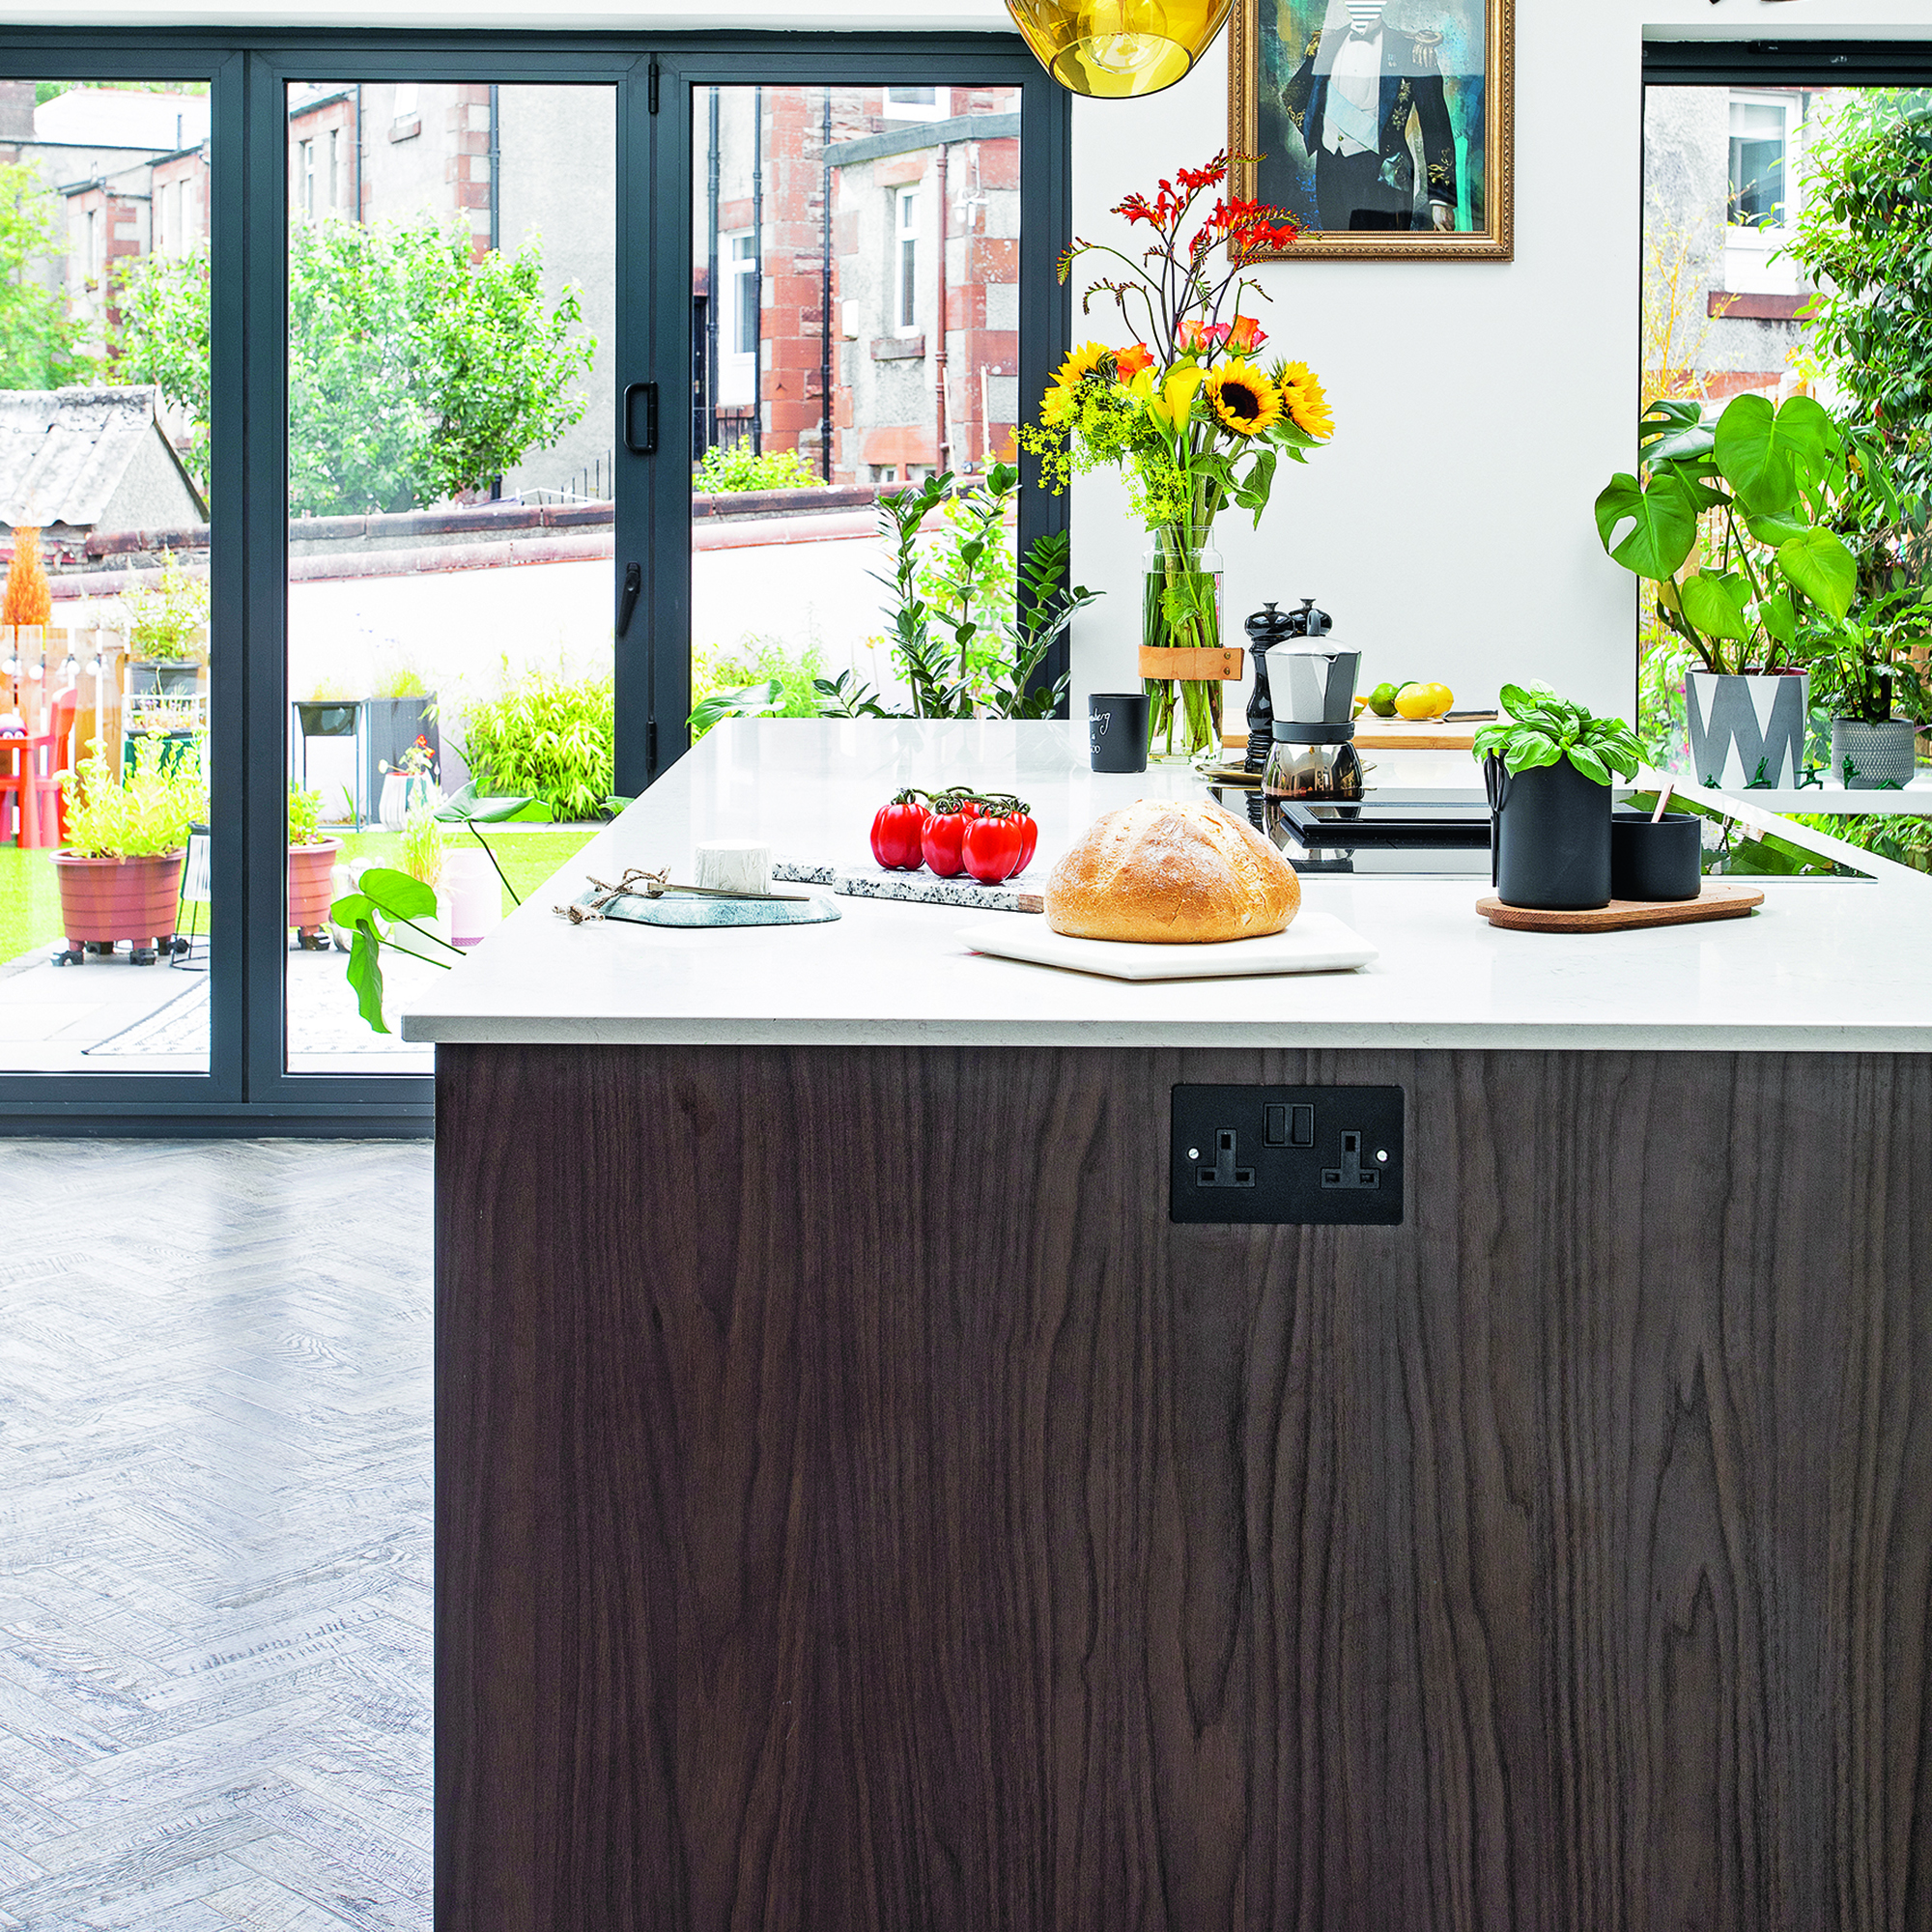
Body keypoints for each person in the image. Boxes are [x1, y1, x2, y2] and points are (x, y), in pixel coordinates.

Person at [1281, 0, 1459, 233]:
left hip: (1385, 177)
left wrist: (1442, 200)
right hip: (1330, 172)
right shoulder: (1328, 44)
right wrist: (1320, 130)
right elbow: (1293, 95)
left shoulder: (1410, 51)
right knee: (1338, 253)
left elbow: (1436, 126)